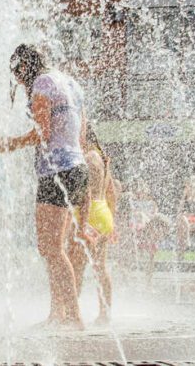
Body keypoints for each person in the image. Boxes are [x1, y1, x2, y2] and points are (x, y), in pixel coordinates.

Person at [0, 44, 89, 330]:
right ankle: (57, 314)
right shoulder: (69, 82)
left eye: (18, 74)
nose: (20, 81)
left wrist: (11, 143)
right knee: (56, 248)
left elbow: (43, 132)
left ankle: (73, 317)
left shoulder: (41, 83)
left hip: (57, 171)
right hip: (77, 168)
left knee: (50, 247)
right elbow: (81, 133)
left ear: (24, 66)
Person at [68, 127, 119, 325]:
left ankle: (73, 313)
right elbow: (112, 192)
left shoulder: (87, 158)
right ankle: (105, 313)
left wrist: (82, 225)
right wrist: (111, 222)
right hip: (103, 212)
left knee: (76, 267)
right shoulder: (103, 159)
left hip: (88, 214)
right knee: (100, 267)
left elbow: (86, 194)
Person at [175, 175, 195, 262]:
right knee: (182, 220)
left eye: (190, 186)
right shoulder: (185, 198)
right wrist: (183, 196)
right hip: (185, 222)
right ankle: (186, 242)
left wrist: (188, 216)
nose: (188, 188)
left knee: (182, 224)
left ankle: (181, 253)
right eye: (187, 186)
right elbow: (179, 212)